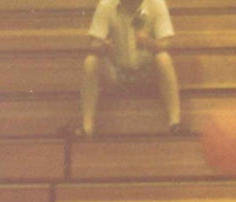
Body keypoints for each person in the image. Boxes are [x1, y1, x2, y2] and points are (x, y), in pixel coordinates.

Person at [69, 0, 183, 139]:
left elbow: (167, 43)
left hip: (146, 71)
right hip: (116, 73)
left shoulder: (156, 4)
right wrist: (104, 46)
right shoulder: (106, 5)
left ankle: (175, 123)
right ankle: (87, 127)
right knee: (91, 62)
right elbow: (93, 44)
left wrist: (150, 43)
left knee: (164, 59)